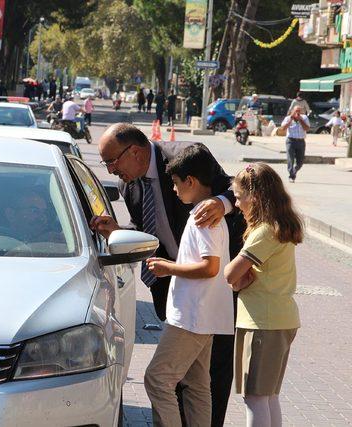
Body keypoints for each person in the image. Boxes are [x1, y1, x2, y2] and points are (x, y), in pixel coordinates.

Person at [90, 123, 246, 427]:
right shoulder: (129, 185)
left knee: (196, 374)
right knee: (193, 379)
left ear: (133, 151)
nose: (110, 171)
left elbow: (238, 188)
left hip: (215, 289)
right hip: (179, 293)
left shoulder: (185, 157)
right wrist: (118, 231)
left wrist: (220, 202)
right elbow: (148, 231)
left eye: (112, 161)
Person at [143, 144, 234, 427]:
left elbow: (210, 267)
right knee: (196, 384)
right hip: (204, 314)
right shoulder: (207, 215)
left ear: (191, 181)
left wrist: (167, 267)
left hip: (191, 316)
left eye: (176, 183)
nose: (173, 189)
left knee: (157, 379)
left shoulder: (201, 218)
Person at [224, 163, 303, 427]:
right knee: (268, 397)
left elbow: (230, 274)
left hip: (261, 321)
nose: (236, 204)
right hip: (278, 318)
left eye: (238, 197)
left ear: (254, 198)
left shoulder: (264, 231)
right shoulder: (279, 226)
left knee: (255, 397)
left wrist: (235, 278)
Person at [280, 106, 310, 183]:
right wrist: (291, 119)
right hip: (290, 141)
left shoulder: (304, 118)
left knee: (300, 161)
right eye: (296, 111)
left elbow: (307, 128)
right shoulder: (288, 118)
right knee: (290, 159)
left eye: (299, 111)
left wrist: (301, 120)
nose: (297, 112)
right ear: (293, 111)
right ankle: (291, 176)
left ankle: (294, 170)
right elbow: (283, 128)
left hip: (301, 141)